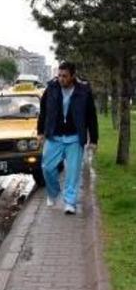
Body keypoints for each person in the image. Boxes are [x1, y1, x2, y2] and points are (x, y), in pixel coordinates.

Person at [37, 61, 98, 214]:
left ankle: (70, 202)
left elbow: (91, 115)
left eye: (64, 76)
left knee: (73, 172)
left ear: (72, 76)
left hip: (75, 137)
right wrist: (40, 132)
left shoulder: (84, 90)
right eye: (59, 76)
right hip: (54, 136)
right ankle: (53, 192)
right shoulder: (51, 88)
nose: (61, 79)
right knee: (47, 167)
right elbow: (43, 111)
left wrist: (94, 140)